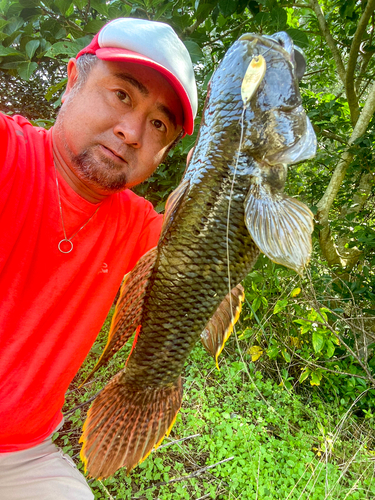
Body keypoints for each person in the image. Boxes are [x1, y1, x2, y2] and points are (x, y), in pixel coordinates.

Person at [0, 17, 197, 499]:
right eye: (122, 95)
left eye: (158, 124)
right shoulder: (9, 152)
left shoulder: (144, 229)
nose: (132, 131)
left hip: (22, 455)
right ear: (73, 81)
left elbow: (211, 259)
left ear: (165, 154)